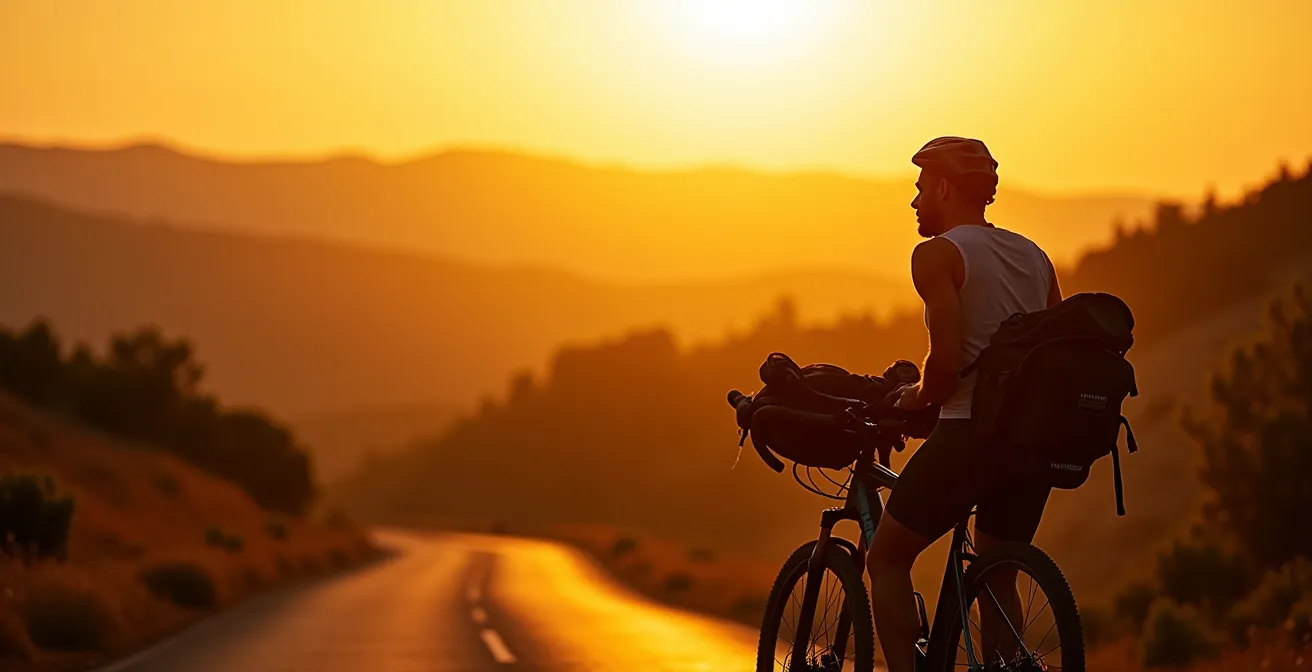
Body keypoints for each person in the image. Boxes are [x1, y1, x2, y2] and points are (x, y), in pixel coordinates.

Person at [866, 137, 1063, 671]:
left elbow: (946, 363)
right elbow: (1053, 355)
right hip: (1028, 446)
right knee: (998, 575)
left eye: (920, 187)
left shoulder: (937, 255)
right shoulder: (1036, 257)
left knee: (886, 558)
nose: (914, 201)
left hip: (968, 435)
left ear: (944, 188)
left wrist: (914, 398)